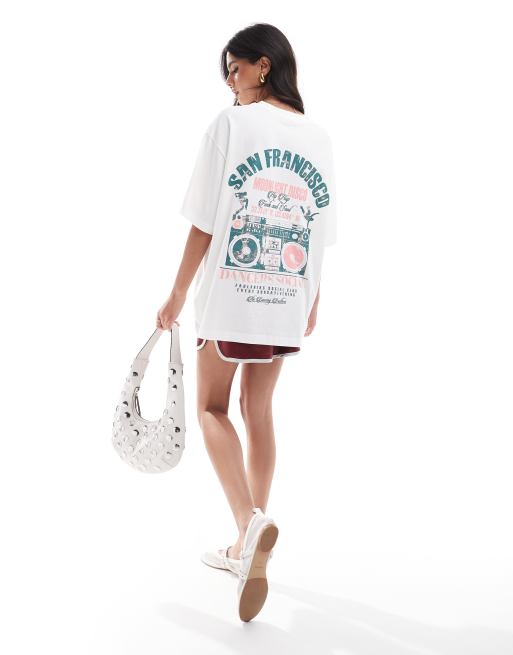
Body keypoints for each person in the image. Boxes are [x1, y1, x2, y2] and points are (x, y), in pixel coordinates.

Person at [156, 23, 337, 621]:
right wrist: (311, 297)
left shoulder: (231, 125)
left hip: (233, 292)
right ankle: (250, 546)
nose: (231, 83)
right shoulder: (318, 137)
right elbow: (314, 227)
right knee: (258, 411)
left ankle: (246, 523)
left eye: (235, 70)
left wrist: (176, 294)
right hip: (287, 293)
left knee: (211, 407)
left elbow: (205, 222)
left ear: (264, 65)